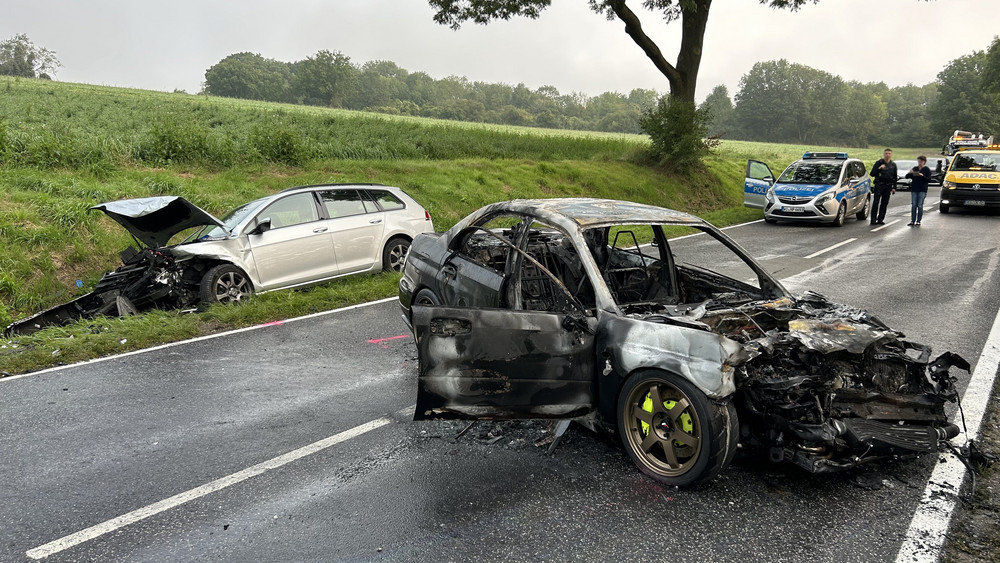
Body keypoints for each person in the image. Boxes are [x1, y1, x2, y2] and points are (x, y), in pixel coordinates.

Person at [869, 148, 897, 225]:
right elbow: (872, 173)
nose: (887, 155)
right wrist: (879, 168)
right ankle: (873, 219)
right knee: (876, 202)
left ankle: (881, 218)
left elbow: (895, 177)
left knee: (884, 203)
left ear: (891, 155)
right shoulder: (879, 163)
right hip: (879, 185)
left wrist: (894, 187)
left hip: (888, 186)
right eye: (886, 153)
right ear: (883, 154)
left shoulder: (893, 165)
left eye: (889, 153)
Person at [905, 155, 931, 226]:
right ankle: (912, 220)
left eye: (921, 161)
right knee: (914, 205)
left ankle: (918, 220)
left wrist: (922, 176)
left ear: (924, 162)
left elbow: (928, 179)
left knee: (919, 205)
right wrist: (910, 173)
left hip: (922, 189)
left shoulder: (926, 169)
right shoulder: (915, 168)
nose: (920, 163)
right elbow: (907, 177)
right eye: (919, 161)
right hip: (914, 189)